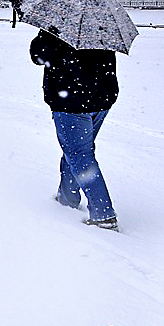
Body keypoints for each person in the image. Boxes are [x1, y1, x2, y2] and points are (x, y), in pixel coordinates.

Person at [30, 28, 119, 230]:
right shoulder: (100, 21)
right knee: (79, 151)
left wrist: (47, 34)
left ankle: (103, 215)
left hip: (71, 101)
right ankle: (67, 199)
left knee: (79, 153)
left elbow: (38, 55)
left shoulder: (58, 24)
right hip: (101, 97)